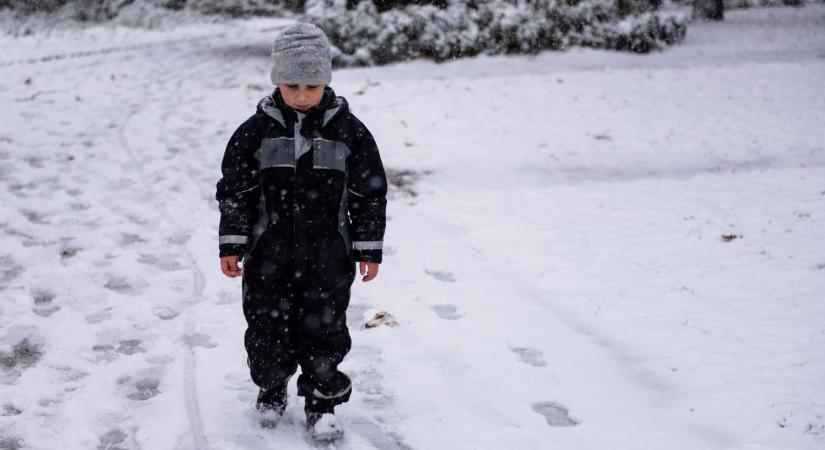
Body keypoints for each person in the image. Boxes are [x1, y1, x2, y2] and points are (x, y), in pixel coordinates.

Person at [215, 22, 387, 440]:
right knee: (266, 332)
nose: (303, 95)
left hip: (328, 258)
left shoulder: (350, 132)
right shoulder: (254, 132)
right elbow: (235, 191)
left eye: (312, 85)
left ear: (326, 81)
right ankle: (271, 387)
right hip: (268, 257)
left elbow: (370, 193)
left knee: (324, 332)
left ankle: (322, 402)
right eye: (293, 84)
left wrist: (367, 247)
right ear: (278, 81)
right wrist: (233, 242)